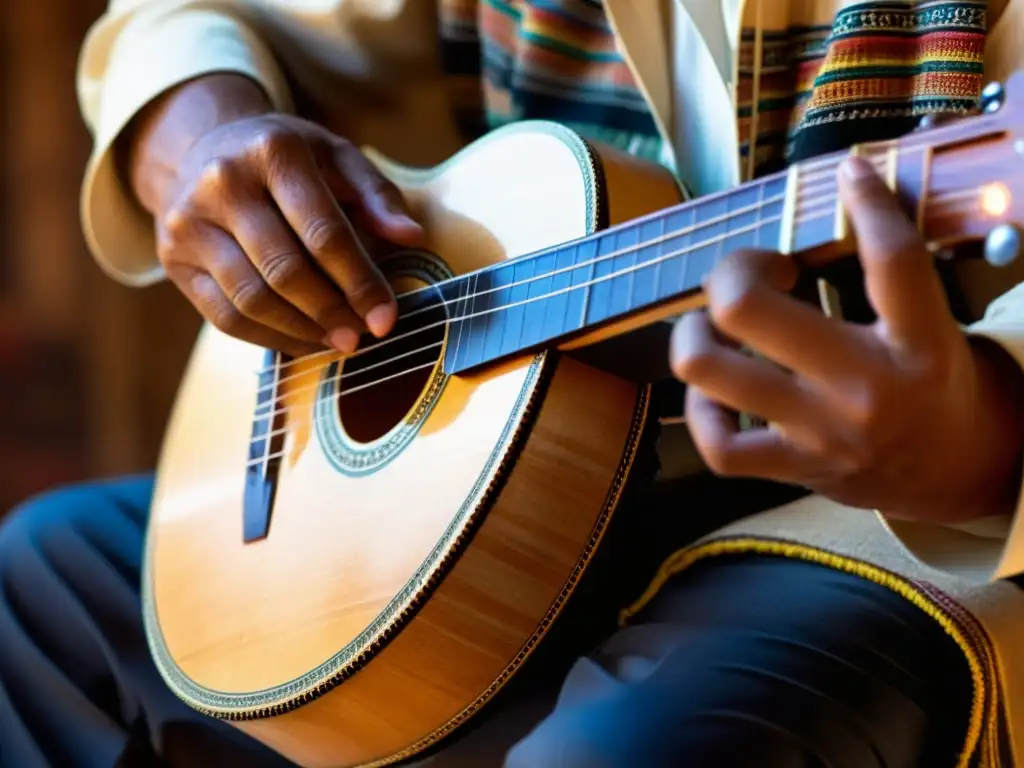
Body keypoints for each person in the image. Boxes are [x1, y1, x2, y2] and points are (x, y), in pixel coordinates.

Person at [1, 0, 1023, 766]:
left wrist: (976, 437)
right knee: (45, 589)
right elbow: (190, 22)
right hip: (515, 472)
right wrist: (198, 147)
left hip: (870, 522)